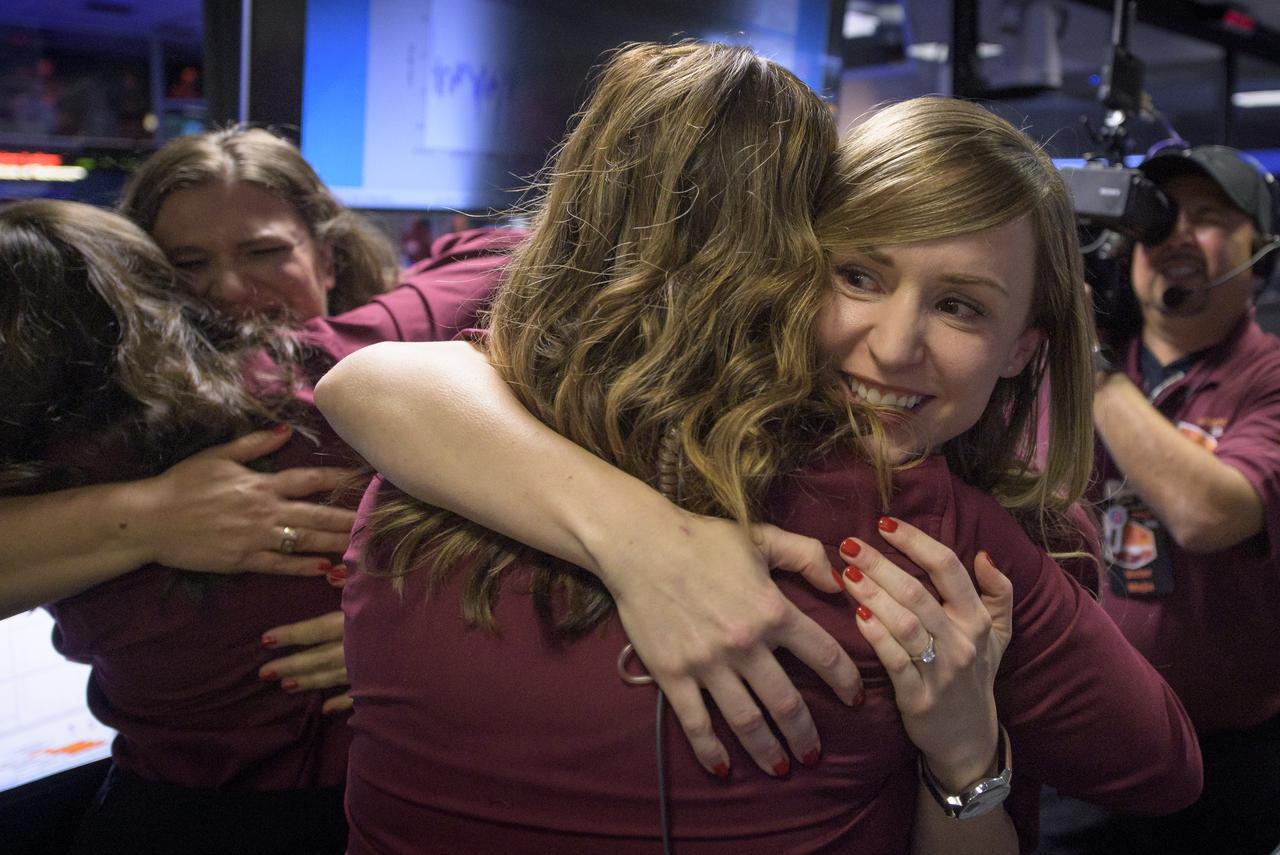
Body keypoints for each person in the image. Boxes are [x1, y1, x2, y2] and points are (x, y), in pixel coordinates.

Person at [317, 43, 1200, 854]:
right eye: (857, 275)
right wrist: (640, 537)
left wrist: (966, 756)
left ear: (1026, 347)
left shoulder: (423, 474)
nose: (894, 347)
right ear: (781, 265)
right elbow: (1160, 768)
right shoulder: (927, 543)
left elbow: (369, 380)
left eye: (960, 305)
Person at [0, 175, 516, 851]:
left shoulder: (34, 477)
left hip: (166, 810)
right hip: (388, 803)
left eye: (263, 251)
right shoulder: (338, 369)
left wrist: (414, 626)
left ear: (327, 256)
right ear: (149, 283)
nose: (232, 289)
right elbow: (509, 247)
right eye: (188, 263)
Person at [1039, 146, 1280, 855]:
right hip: (1075, 741)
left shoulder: (1266, 378)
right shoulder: (1064, 354)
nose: (1176, 236)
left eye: (1208, 219)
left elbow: (1209, 513)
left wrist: (1094, 369)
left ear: (1258, 252)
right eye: (1160, 220)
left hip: (1224, 762)